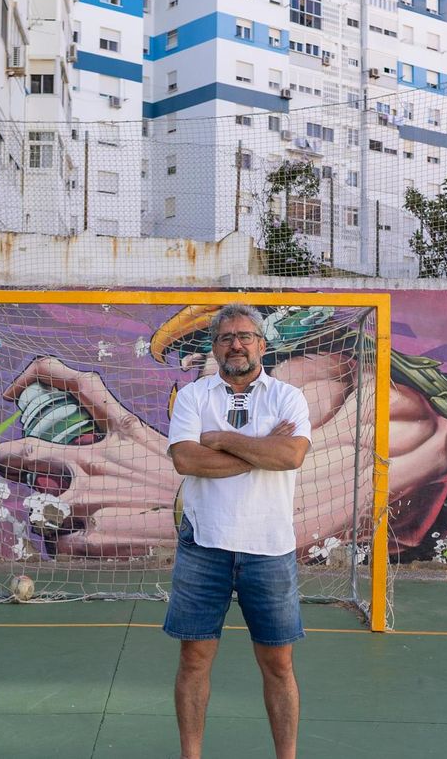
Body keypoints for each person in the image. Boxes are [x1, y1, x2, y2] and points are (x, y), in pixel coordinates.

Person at [163, 303, 311, 759]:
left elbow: (290, 457)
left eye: (246, 335)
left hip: (269, 549)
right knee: (193, 660)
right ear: (214, 346)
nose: (237, 344)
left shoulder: (288, 398)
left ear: (262, 344)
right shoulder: (194, 397)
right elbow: (187, 460)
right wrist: (262, 448)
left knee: (279, 665)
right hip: (204, 545)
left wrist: (223, 439)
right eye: (227, 337)